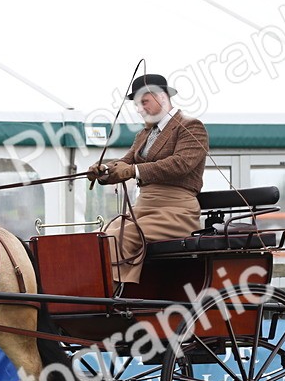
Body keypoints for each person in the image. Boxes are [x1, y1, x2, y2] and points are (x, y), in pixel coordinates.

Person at [87, 73, 209, 284]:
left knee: (118, 238)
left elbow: (180, 164)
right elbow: (125, 162)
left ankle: (111, 290)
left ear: (161, 97)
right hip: (143, 208)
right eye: (137, 104)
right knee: (97, 235)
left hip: (175, 211)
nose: (139, 109)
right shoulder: (144, 134)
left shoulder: (191, 126)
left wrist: (134, 171)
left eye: (144, 102)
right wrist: (104, 170)